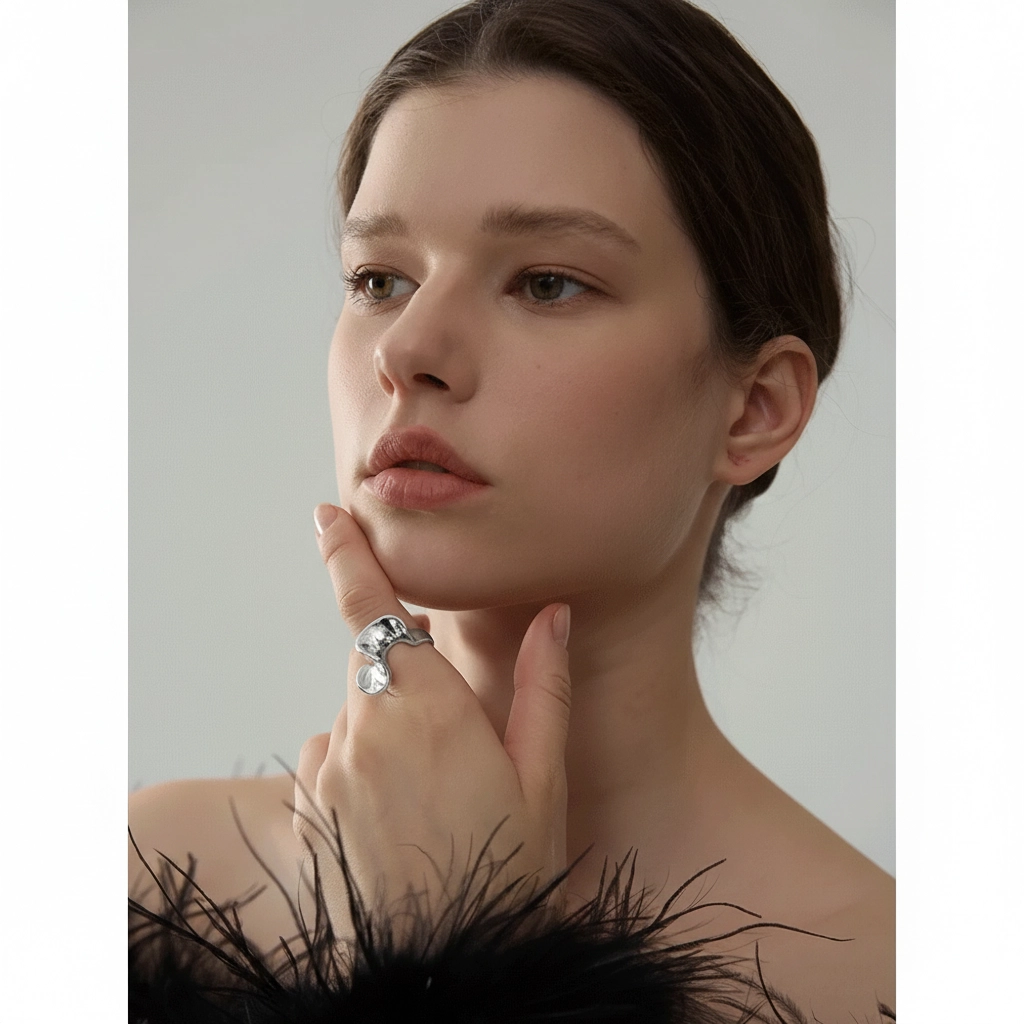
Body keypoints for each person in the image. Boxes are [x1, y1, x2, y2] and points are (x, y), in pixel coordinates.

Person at [128, 0, 894, 1019]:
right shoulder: (144, 886)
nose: (407, 349)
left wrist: (451, 959)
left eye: (546, 283)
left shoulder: (893, 979)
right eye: (378, 278)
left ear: (754, 408)